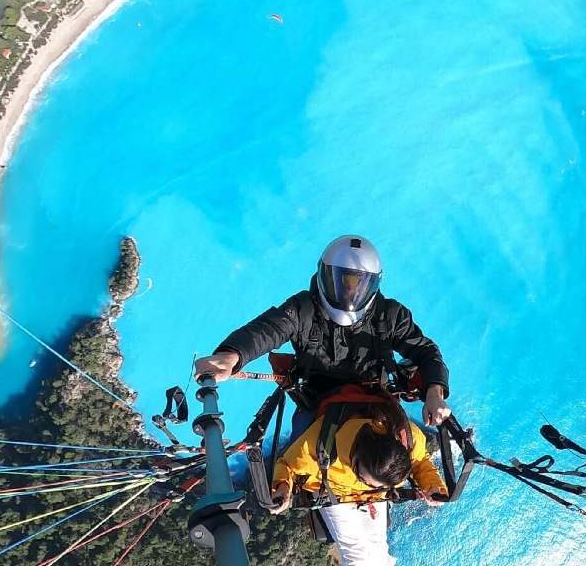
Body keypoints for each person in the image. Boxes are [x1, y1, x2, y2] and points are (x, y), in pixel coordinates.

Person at [193, 235, 452, 433]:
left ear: (373, 285)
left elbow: (425, 351)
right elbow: (268, 329)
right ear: (324, 275)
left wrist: (434, 392)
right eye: (342, 282)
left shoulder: (390, 315)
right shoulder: (303, 309)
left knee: (403, 453)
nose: (349, 294)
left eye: (358, 285)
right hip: (317, 403)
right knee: (300, 468)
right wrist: (233, 354)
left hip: (375, 401)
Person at [267, 395, 445, 566]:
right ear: (355, 461)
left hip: (375, 497)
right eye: (365, 480)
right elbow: (288, 465)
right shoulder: (320, 444)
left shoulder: (407, 438)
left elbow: (420, 462)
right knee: (356, 554)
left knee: (379, 548)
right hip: (336, 494)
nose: (370, 485)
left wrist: (433, 486)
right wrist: (282, 487)